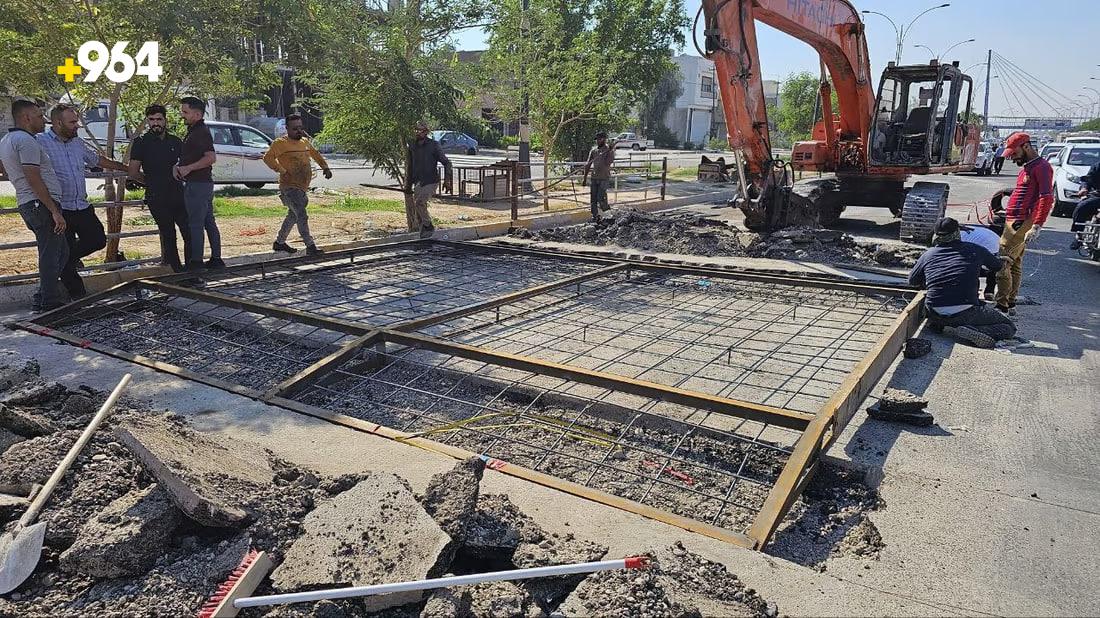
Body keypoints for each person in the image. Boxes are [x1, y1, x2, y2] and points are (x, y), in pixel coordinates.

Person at [37, 103, 130, 299]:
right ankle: (78, 295)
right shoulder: (40, 142)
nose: (77, 125)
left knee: (97, 240)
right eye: (72, 122)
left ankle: (66, 259)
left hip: (81, 205)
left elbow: (98, 160)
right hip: (61, 208)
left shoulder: (77, 143)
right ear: (57, 122)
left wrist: (127, 169)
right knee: (66, 252)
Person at [0, 98, 68, 311]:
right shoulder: (26, 141)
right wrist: (53, 210)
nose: (44, 120)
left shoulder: (7, 140)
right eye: (39, 116)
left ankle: (43, 294)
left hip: (29, 203)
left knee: (62, 252)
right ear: (26, 118)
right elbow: (33, 177)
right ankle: (49, 301)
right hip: (39, 204)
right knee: (51, 253)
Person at [909, 217, 1016, 348]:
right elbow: (997, 267)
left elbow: (912, 281)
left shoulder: (928, 254)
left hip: (933, 310)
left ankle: (938, 324)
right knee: (1009, 327)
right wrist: (1003, 261)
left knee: (940, 296)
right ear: (957, 232)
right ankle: (976, 331)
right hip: (966, 312)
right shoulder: (975, 249)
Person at [993, 132, 1053, 317]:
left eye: (1014, 152)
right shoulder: (1027, 167)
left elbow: (1046, 197)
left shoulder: (1042, 167)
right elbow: (1026, 191)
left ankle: (1001, 307)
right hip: (1015, 219)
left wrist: (1037, 225)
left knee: (1003, 262)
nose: (1011, 156)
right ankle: (1010, 303)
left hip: (1020, 222)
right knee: (1015, 263)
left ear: (1026, 147)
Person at [128, 104, 190, 272]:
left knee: (189, 232)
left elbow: (185, 164)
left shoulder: (176, 141)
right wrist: (151, 182)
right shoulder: (141, 143)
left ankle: (192, 271)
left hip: (178, 194)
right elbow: (133, 172)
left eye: (159, 119)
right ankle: (177, 273)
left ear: (165, 120)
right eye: (152, 119)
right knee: (169, 235)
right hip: (157, 196)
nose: (155, 123)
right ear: (147, 121)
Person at [262, 113, 332, 256]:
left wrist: (325, 167)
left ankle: (279, 243)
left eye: (300, 128)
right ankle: (310, 246)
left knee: (293, 216)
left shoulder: (305, 142)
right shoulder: (280, 143)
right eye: (295, 129)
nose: (298, 131)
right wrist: (281, 170)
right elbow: (267, 158)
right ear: (287, 129)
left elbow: (316, 154)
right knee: (301, 215)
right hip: (289, 187)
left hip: (302, 188)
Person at [175, 96, 223, 270]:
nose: (182, 115)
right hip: (201, 183)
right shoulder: (194, 130)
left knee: (195, 224)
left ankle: (196, 262)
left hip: (197, 184)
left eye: (185, 112)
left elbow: (210, 157)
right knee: (208, 221)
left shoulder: (200, 132)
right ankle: (216, 258)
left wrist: (188, 168)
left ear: (197, 114)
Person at [404, 122, 452, 239]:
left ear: (426, 132)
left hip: (431, 180)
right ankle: (424, 235)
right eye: (416, 130)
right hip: (418, 181)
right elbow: (410, 167)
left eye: (420, 130)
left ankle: (429, 226)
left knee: (420, 202)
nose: (417, 132)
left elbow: (447, 163)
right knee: (419, 208)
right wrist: (408, 186)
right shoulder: (412, 146)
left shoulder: (433, 145)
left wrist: (447, 180)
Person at [960, 223, 1001, 301]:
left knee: (971, 269)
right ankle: (989, 292)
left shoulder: (956, 238)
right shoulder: (961, 232)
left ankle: (973, 294)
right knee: (992, 267)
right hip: (996, 241)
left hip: (988, 245)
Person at [581, 132, 615, 221]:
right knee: (593, 199)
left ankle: (608, 215)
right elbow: (588, 164)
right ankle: (595, 216)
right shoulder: (594, 150)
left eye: (600, 139)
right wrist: (584, 178)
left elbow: (608, 162)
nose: (598, 141)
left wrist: (610, 151)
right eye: (597, 139)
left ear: (604, 139)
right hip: (594, 177)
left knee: (601, 197)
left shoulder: (608, 150)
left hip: (604, 177)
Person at [1069, 159, 1100, 249]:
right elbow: (1087, 179)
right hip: (1097, 196)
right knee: (1081, 207)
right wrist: (1084, 188)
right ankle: (1079, 235)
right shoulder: (1097, 166)